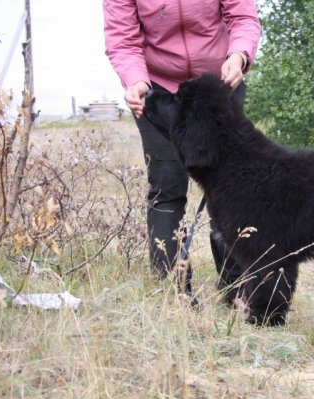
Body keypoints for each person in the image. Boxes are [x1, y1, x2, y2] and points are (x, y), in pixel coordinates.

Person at [103, 0, 261, 293]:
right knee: (166, 188)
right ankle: (170, 288)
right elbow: (123, 40)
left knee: (228, 188)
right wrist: (136, 81)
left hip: (217, 83)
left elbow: (243, 17)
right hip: (159, 90)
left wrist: (238, 55)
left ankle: (238, 287)